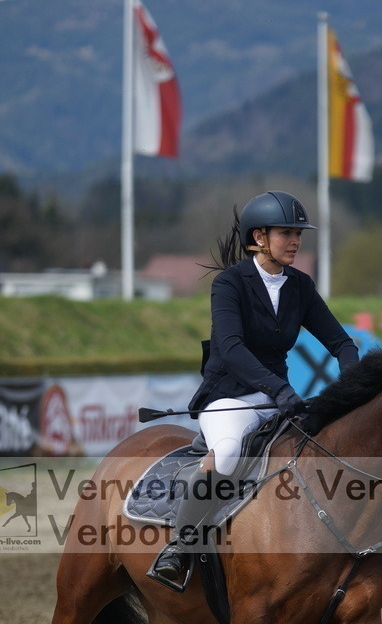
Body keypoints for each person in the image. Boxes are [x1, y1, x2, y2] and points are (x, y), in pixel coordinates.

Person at [153, 189, 360, 585]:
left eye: (299, 233)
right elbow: (230, 349)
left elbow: (342, 343)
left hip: (277, 399)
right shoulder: (230, 283)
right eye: (287, 232)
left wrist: (355, 385)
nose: (296, 241)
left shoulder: (300, 286)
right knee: (228, 455)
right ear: (259, 237)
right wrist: (278, 390)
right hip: (228, 396)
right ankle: (180, 546)